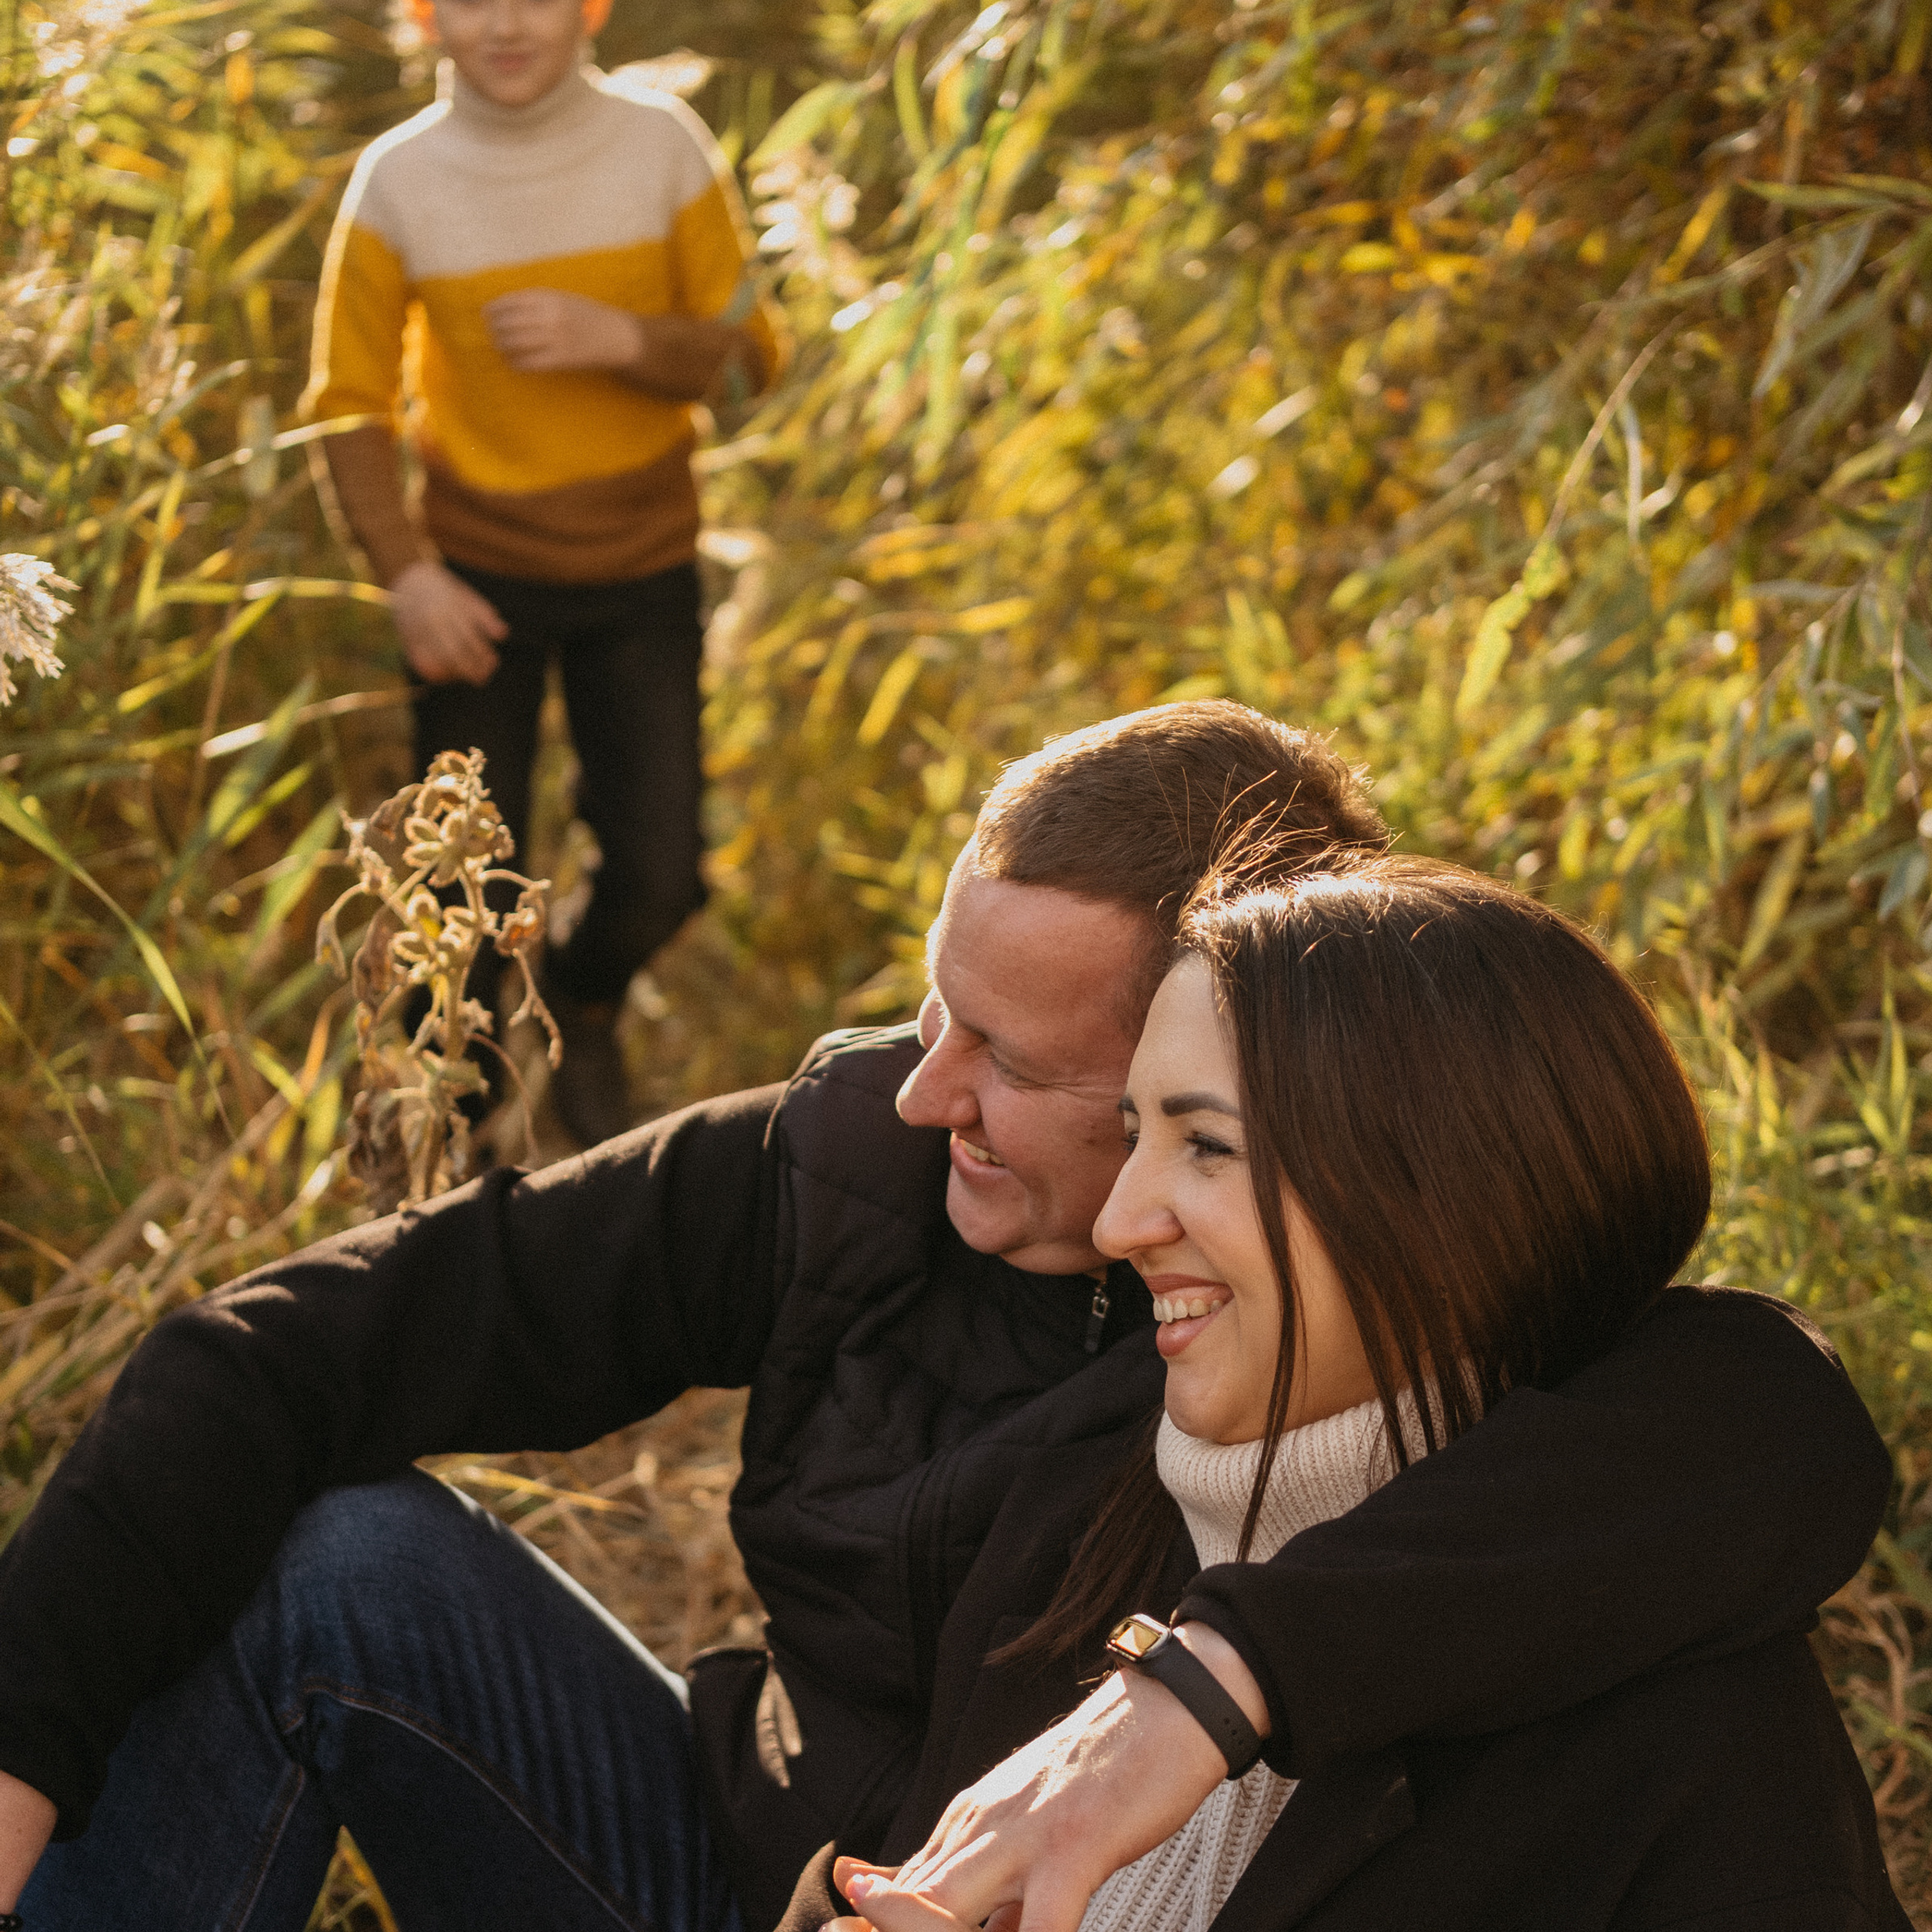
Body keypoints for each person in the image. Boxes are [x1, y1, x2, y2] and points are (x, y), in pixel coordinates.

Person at [0, 703, 1894, 1931]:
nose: (924, 1089)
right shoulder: (869, 1164)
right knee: (347, 1567)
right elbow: (294, 1345)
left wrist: (1193, 1695)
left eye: (1015, 1055)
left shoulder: (1492, 1444)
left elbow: (1775, 1420)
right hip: (757, 1867)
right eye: (933, 1008)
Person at [827, 857, 1908, 1932]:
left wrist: (1217, 1683)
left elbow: (1781, 1406)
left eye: (1207, 1145)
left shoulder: (1688, 1746)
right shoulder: (1077, 1539)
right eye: (1131, 1135)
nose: (1119, 1224)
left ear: (1449, 1195)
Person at [301, 0, 786, 1146]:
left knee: (663, 873)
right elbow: (348, 404)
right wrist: (408, 575)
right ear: (424, 16)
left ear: (591, 8)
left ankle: (580, 991)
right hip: (477, 579)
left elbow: (753, 362)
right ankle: (453, 1161)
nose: (506, 24)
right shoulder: (399, 179)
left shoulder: (662, 145)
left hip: (644, 564)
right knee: (457, 906)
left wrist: (626, 342)